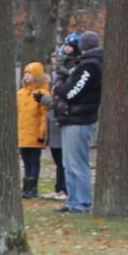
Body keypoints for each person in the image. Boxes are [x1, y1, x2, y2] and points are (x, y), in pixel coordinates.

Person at [53, 30, 101, 213]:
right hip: (71, 118)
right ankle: (72, 201)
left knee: (77, 163)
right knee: (68, 163)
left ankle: (82, 202)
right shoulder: (86, 64)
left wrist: (60, 89)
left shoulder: (90, 66)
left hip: (80, 119)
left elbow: (74, 91)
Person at [46, 41, 75, 198]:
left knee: (63, 160)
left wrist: (45, 101)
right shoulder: (56, 78)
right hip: (54, 121)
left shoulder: (65, 79)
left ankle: (64, 188)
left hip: (60, 120)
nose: (54, 62)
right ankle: (59, 187)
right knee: (58, 159)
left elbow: (58, 99)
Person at [16, 60, 49, 198]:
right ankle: (26, 183)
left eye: (31, 73)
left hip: (35, 133)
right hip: (23, 133)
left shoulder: (42, 93)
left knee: (34, 160)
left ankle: (32, 186)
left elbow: (43, 115)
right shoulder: (20, 93)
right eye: (26, 73)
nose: (27, 76)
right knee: (25, 159)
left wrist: (42, 133)